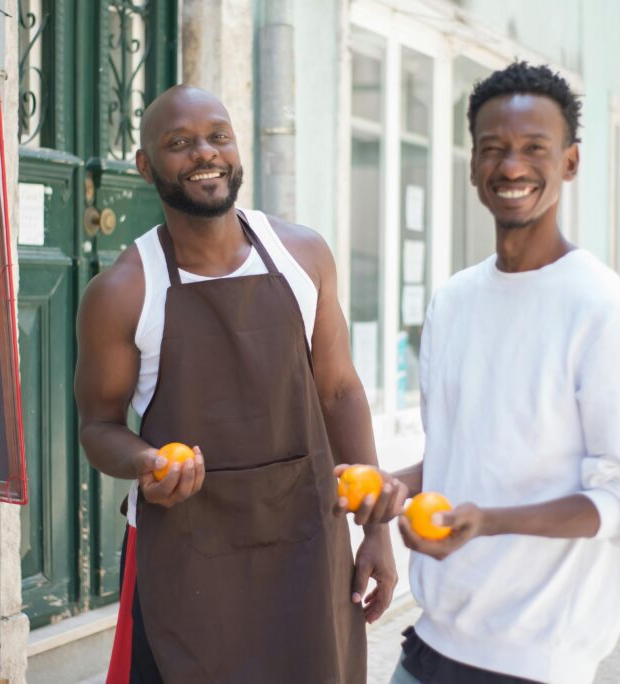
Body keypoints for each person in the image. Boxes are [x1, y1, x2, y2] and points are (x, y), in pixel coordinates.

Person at [339, 62, 620, 684]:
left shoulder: (607, 314)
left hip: (536, 659)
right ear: (472, 166)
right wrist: (394, 487)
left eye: (534, 149)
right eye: (493, 149)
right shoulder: (454, 302)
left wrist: (486, 523)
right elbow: (461, 456)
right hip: (429, 645)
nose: (512, 166)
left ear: (570, 162)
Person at [74, 84, 397, 684]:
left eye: (218, 136)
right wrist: (146, 461)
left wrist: (375, 529)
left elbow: (341, 393)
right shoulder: (122, 291)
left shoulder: (304, 255)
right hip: (187, 555)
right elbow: (97, 427)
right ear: (146, 166)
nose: (205, 153)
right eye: (179, 143)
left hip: (307, 539)